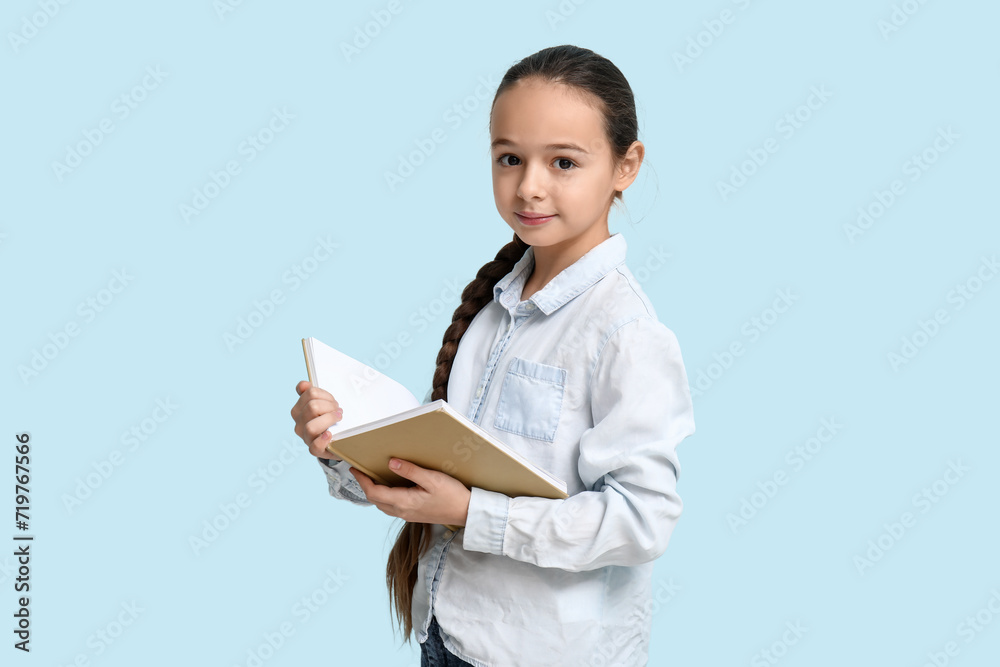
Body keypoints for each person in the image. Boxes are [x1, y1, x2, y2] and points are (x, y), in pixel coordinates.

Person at [290, 44, 696, 667]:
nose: (529, 186)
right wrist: (343, 445)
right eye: (510, 158)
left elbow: (642, 520)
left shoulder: (625, 334)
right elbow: (442, 467)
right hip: (448, 635)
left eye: (564, 161)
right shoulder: (493, 306)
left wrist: (476, 514)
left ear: (626, 165)